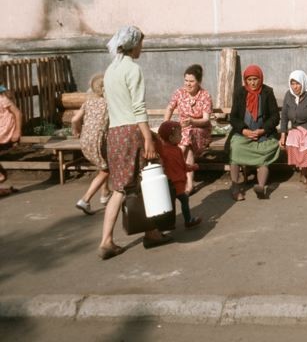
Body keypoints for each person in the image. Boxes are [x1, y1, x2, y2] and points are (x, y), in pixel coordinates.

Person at [98, 25, 172, 260]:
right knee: (143, 181)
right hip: (132, 132)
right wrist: (148, 137)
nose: (142, 47)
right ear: (133, 44)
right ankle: (147, 232)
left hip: (115, 132)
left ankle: (113, 238)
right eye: (140, 43)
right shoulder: (133, 69)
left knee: (124, 185)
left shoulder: (110, 70)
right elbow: (138, 107)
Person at [226, 65, 280, 201]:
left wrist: (262, 130)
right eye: (249, 79)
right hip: (243, 133)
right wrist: (244, 131)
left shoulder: (267, 92)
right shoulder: (240, 93)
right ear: (245, 80)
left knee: (264, 152)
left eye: (255, 79)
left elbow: (275, 117)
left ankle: (261, 187)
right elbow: (233, 117)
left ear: (260, 78)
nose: (252, 82)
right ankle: (235, 187)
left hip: (263, 133)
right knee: (236, 149)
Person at [163, 64, 213, 195]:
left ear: (199, 82)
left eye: (192, 81)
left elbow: (206, 120)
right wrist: (165, 125)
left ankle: (173, 159)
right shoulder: (179, 93)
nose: (188, 84)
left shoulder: (205, 95)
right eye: (186, 80)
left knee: (189, 132)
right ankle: (189, 183)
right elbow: (169, 108)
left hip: (201, 130)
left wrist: (192, 121)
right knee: (188, 143)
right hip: (184, 132)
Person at [72, 74, 112, 215]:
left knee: (103, 164)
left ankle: (105, 193)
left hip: (86, 140)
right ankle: (85, 199)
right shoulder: (109, 103)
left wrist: (76, 131)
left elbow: (74, 119)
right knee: (106, 169)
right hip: (98, 141)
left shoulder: (88, 102)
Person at [156, 121, 202, 230]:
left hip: (168, 183)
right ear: (171, 137)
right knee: (184, 201)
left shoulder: (163, 150)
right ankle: (188, 220)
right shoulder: (176, 150)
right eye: (179, 134)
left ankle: (169, 224)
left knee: (169, 204)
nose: (181, 136)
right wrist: (193, 167)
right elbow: (183, 166)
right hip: (178, 183)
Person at [0, 84, 22, 198]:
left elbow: (17, 113)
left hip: (5, 132)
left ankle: (1, 175)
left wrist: (17, 131)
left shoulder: (3, 99)